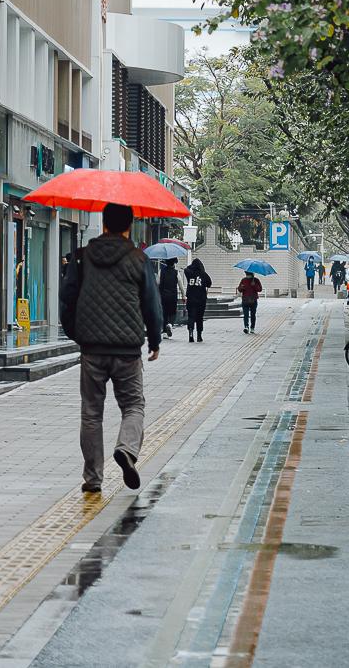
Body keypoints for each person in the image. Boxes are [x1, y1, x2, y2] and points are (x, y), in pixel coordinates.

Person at [60, 202, 161, 495]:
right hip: (128, 350)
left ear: (104, 223)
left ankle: (93, 479)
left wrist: (77, 334)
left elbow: (68, 298)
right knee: (133, 405)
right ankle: (127, 449)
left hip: (92, 348)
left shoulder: (83, 257)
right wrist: (154, 340)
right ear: (129, 225)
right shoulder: (139, 259)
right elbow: (151, 305)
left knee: (92, 412)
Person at [184, 259, 212, 343]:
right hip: (201, 299)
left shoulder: (189, 273)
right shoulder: (203, 274)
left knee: (191, 316)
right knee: (199, 318)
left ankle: (190, 333)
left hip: (191, 299)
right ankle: (199, 336)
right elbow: (209, 283)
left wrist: (190, 267)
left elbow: (186, 269)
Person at [237, 268, 262, 333]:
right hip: (245, 300)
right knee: (246, 314)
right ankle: (246, 327)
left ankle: (252, 327)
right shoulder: (243, 280)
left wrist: (254, 285)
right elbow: (239, 289)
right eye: (246, 274)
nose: (247, 275)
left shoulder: (256, 280)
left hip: (253, 300)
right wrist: (242, 287)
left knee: (253, 314)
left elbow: (260, 289)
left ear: (252, 274)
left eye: (248, 274)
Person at [159, 258, 179, 336]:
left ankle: (164, 331)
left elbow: (157, 282)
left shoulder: (161, 271)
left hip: (163, 295)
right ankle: (170, 324)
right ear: (173, 263)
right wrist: (184, 296)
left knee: (164, 313)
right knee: (173, 312)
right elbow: (180, 284)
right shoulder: (176, 272)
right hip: (173, 296)